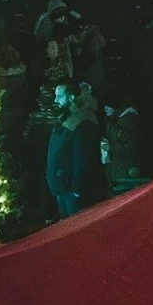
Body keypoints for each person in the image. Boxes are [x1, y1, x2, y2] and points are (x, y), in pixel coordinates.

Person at [45, 82, 107, 218]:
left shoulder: (83, 123)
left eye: (59, 96)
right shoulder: (68, 119)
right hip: (64, 188)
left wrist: (77, 190)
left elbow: (83, 159)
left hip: (73, 193)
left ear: (72, 97)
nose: (55, 101)